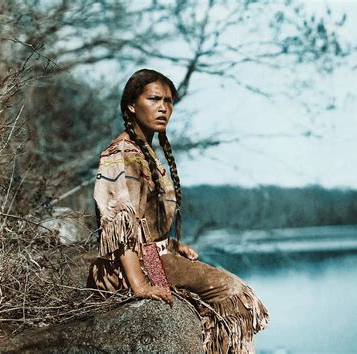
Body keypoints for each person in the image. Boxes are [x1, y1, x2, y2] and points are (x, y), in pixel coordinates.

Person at [87, 69, 269, 353]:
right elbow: (118, 227)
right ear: (132, 106)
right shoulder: (119, 154)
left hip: (155, 255)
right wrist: (140, 286)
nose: (164, 108)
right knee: (233, 294)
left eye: (169, 101)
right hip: (137, 264)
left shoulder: (145, 151)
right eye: (155, 99)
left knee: (226, 294)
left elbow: (145, 219)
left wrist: (172, 244)